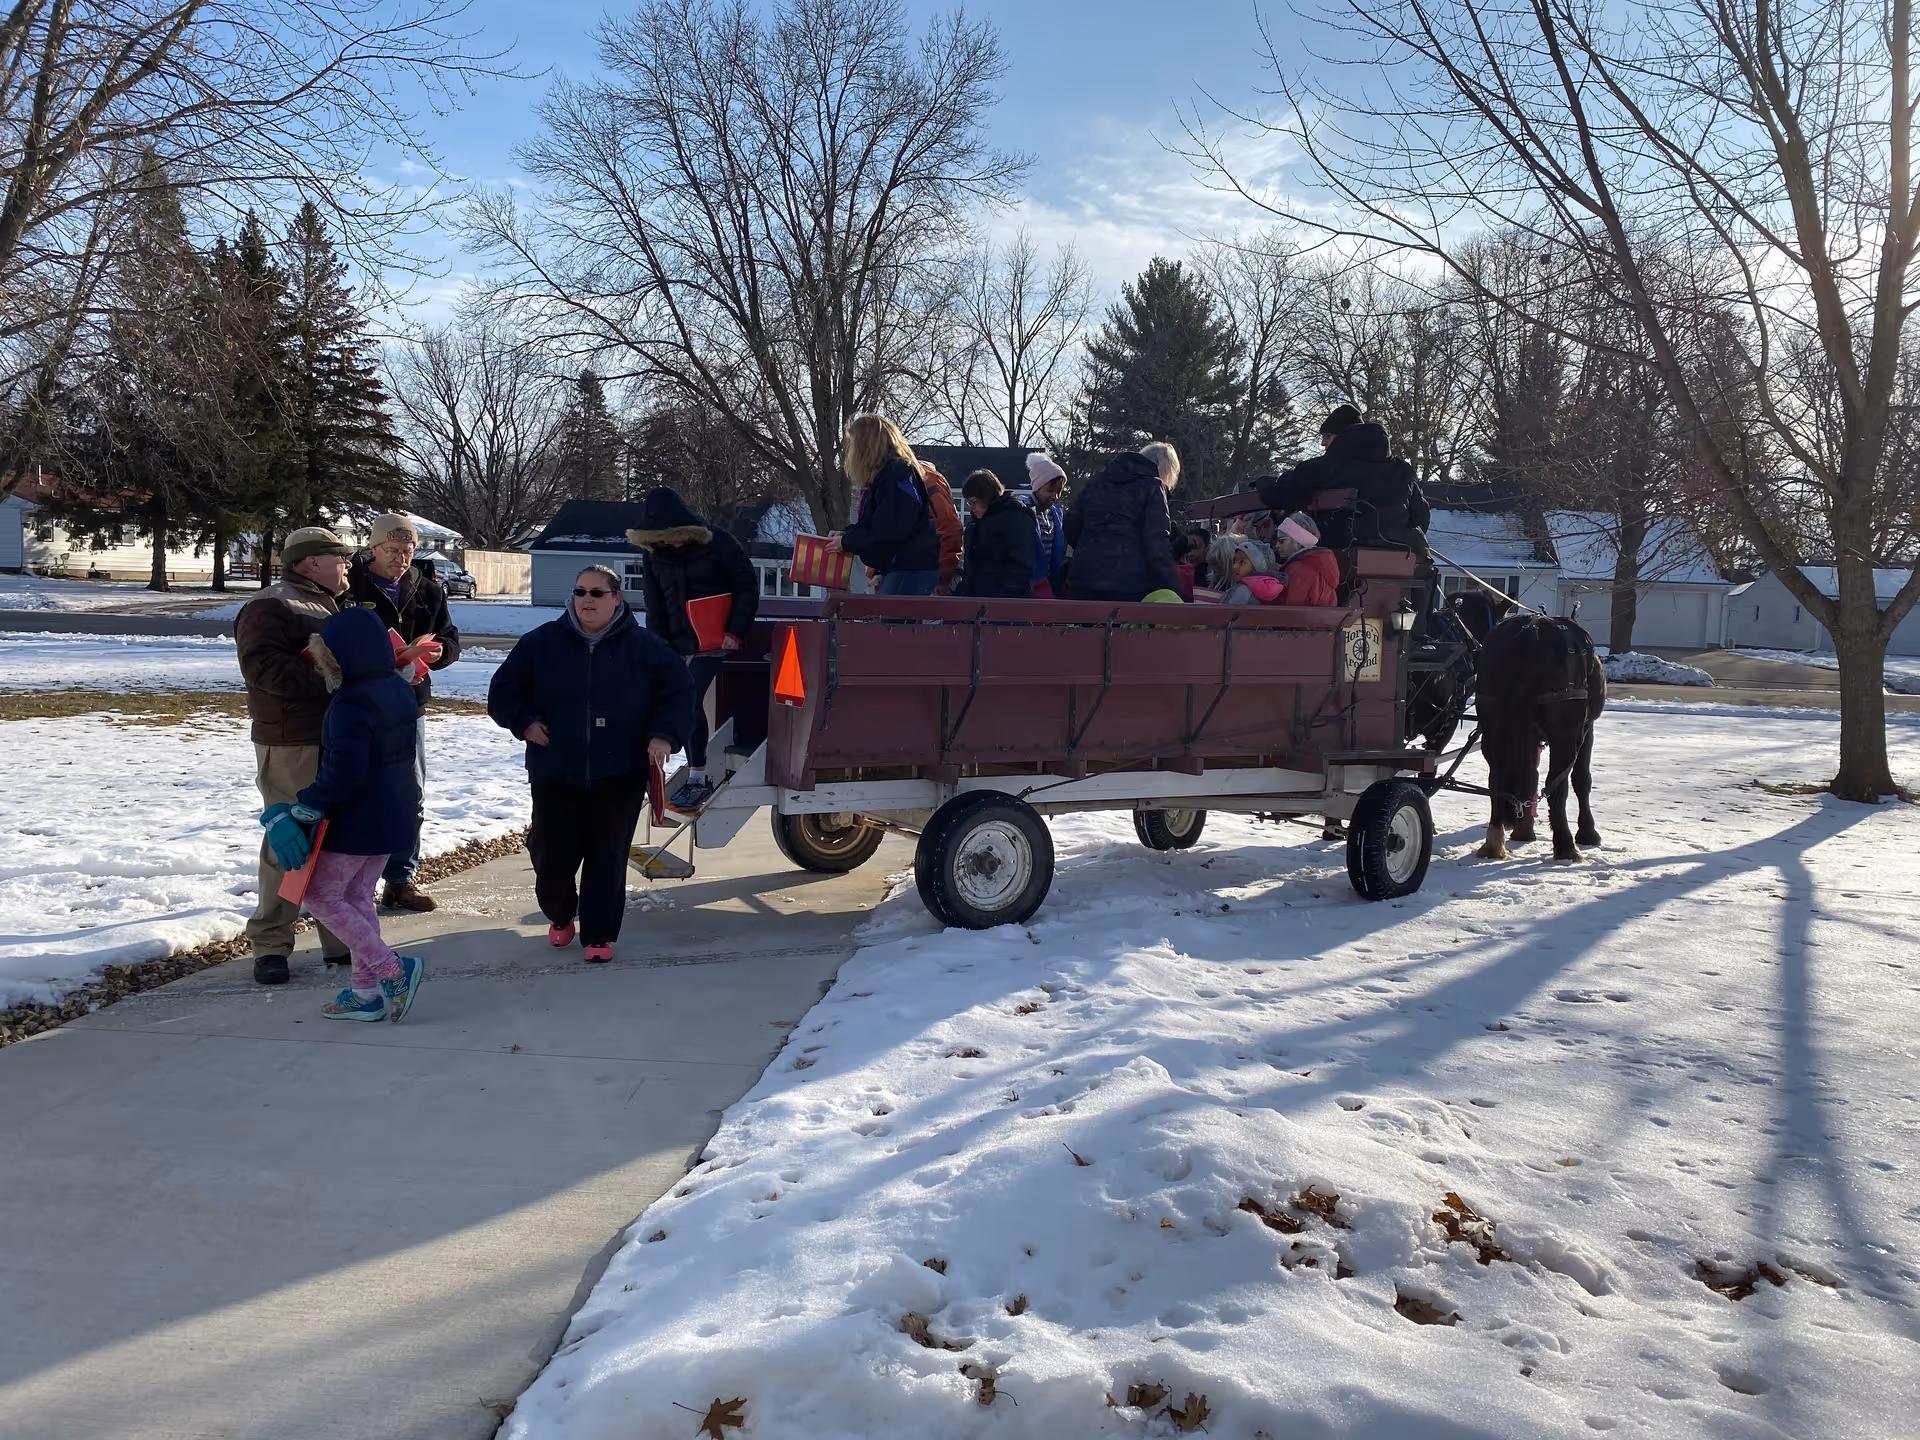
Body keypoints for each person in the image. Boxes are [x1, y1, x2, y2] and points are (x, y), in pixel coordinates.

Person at [487, 565, 693, 964]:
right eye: (580, 591)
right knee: (552, 855)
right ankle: (561, 913)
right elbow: (503, 690)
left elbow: (679, 694)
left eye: (597, 593)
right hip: (555, 769)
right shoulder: (542, 642)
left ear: (617, 598)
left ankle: (599, 934)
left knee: (607, 854)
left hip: (620, 771)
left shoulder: (646, 647)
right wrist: (525, 721)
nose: (587, 600)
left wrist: (664, 735)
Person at [261, 605, 428, 1022]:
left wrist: (305, 805)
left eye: (322, 657)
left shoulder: (351, 703)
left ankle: (392, 969)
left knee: (321, 895)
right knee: (356, 898)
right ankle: (364, 993)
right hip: (394, 815)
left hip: (358, 818)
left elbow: (345, 774)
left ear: (338, 658)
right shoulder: (397, 689)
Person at [236, 525, 356, 985]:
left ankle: (339, 939)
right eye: (338, 556)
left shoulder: (327, 603)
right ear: (309, 563)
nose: (347, 564)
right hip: (291, 742)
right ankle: (270, 944)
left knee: (337, 841)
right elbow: (262, 668)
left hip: (335, 739)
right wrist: (333, 671)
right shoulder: (271, 604)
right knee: (289, 842)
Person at [342, 513, 462, 913]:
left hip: (409, 705)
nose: (400, 559)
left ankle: (400, 879)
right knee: (355, 791)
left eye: (408, 551)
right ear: (373, 549)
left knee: (409, 792)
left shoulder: (428, 590)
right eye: (392, 551)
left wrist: (441, 652)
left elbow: (449, 637)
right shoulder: (349, 587)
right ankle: (350, 883)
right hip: (357, 704)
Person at [629, 487, 759, 813]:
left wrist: (736, 630)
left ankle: (699, 777)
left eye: (676, 536)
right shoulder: (653, 553)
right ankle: (682, 771)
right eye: (664, 537)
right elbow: (654, 602)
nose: (672, 543)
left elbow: (746, 584)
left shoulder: (719, 542)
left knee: (689, 697)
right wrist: (656, 647)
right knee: (671, 698)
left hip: (717, 640)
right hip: (677, 639)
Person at [829, 414, 939, 594]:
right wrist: (848, 535)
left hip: (909, 568)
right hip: (907, 566)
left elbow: (889, 529)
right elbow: (886, 523)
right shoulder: (894, 473)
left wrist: (848, 541)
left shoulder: (895, 474)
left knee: (891, 621)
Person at [1063, 440, 1182, 603]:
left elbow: (1071, 523)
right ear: (1165, 471)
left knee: (1087, 627)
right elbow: (1157, 542)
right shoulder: (1152, 486)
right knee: (1125, 628)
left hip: (1084, 577)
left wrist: (1090, 548)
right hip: (1130, 583)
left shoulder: (1097, 481)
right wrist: (1171, 589)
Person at [957, 470, 1039, 598]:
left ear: (986, 497)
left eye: (973, 502)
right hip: (980, 596)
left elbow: (1021, 564)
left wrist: (1007, 595)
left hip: (1003, 599)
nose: (971, 508)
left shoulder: (1014, 517)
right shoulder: (978, 522)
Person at [1023, 453, 1070, 597]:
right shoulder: (1024, 510)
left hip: (1051, 582)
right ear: (1036, 487)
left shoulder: (1056, 513)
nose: (1055, 496)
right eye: (1050, 490)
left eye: (1059, 492)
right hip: (1030, 584)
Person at [1271, 511, 1342, 606]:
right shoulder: (1322, 564)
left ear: (1297, 541)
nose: (1277, 545)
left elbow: (1290, 609)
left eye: (1281, 540)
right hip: (1324, 620)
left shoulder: (1297, 568)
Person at [1212, 536, 1284, 607]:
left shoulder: (1241, 593)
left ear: (1257, 567)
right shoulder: (1272, 591)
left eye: (1242, 562)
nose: (1234, 566)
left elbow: (1224, 615)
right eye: (1234, 561)